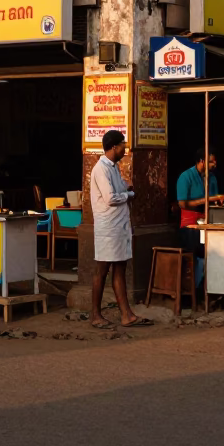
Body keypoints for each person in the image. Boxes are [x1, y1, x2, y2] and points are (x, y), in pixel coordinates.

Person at [90, 130, 151, 330]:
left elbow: (121, 189)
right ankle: (95, 315)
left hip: (119, 226)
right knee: (102, 270)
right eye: (123, 144)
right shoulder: (101, 169)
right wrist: (128, 196)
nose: (125, 148)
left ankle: (126, 314)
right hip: (107, 228)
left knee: (120, 268)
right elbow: (110, 198)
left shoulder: (114, 168)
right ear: (114, 147)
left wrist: (127, 191)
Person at [176, 150, 219, 293]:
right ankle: (191, 291)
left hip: (208, 221)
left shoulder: (212, 178)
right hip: (190, 225)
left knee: (212, 255)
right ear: (202, 161)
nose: (214, 164)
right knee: (196, 255)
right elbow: (182, 203)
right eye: (211, 161)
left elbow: (214, 200)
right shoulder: (186, 176)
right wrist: (208, 199)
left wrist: (219, 201)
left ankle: (206, 289)